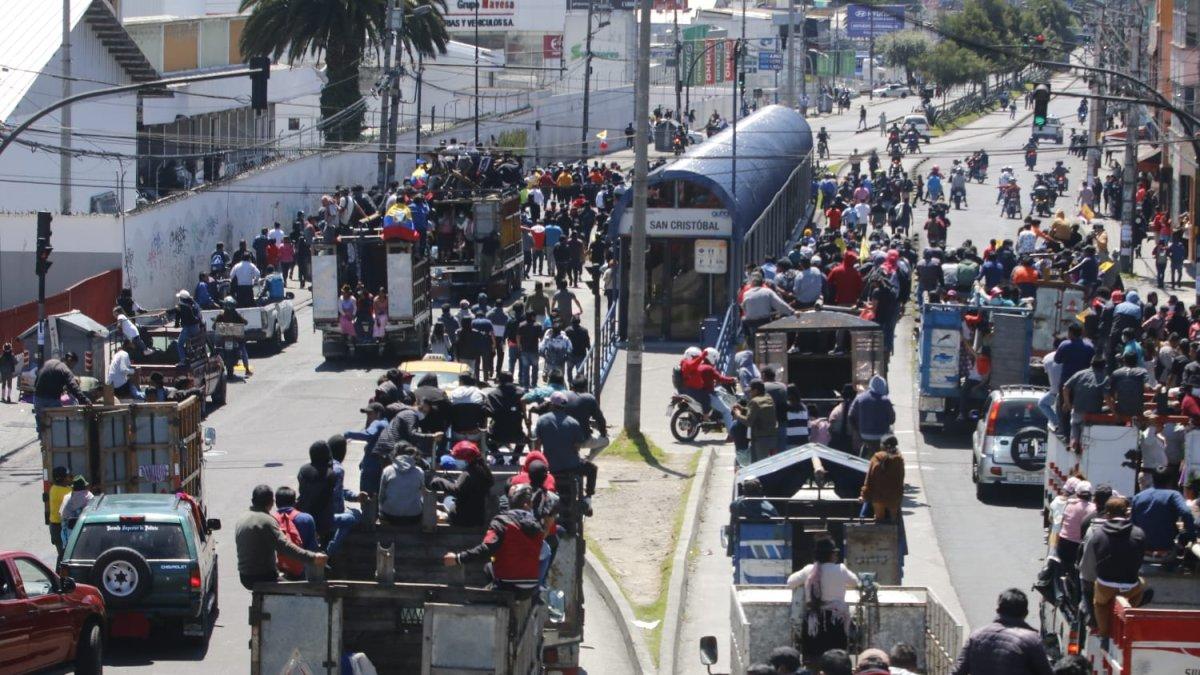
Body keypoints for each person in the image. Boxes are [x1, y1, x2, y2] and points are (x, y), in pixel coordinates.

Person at [443, 483, 546, 594]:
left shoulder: (502, 522)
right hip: (531, 587)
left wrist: (458, 558)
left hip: (508, 584)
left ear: (509, 502)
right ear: (529, 504)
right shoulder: (538, 526)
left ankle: (492, 594)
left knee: (488, 567)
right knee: (490, 566)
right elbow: (543, 554)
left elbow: (486, 549)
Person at [1080, 497, 1150, 638]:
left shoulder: (1098, 534)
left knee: (1099, 604)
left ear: (1107, 515)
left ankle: (1103, 632)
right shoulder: (1139, 533)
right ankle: (1129, 615)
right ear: (1127, 513)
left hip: (1105, 586)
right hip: (1130, 587)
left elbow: (1089, 567)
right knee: (1142, 584)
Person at [235, 484, 326, 588]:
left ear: (252, 500)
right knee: (295, 590)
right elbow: (284, 546)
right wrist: (312, 557)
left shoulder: (242, 519)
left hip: (244, 577)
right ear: (272, 502)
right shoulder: (267, 521)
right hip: (264, 576)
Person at [786, 538, 859, 662]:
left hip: (814, 620)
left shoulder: (809, 570)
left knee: (813, 657)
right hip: (835, 619)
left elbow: (790, 582)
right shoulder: (841, 569)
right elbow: (856, 582)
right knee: (836, 657)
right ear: (831, 555)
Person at [951, 588, 1053, 675]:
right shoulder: (1031, 640)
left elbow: (958, 671)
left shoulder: (976, 636)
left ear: (997, 610)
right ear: (1025, 613)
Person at [429, 440, 494, 527]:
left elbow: (456, 489)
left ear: (465, 459)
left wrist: (439, 481)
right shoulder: (484, 471)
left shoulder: (467, 474)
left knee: (447, 499)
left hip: (462, 518)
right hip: (479, 516)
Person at [1130, 467, 1195, 550]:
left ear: (1153, 479)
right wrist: (1190, 535)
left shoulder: (1138, 497)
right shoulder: (1173, 495)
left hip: (1141, 548)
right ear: (1170, 481)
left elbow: (1133, 522)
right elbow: (1186, 512)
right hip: (1165, 548)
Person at [32, 352, 89, 433]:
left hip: (38, 398)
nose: (72, 367)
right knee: (57, 423)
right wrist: (85, 400)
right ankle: (55, 439)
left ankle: (43, 439)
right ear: (70, 360)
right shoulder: (65, 369)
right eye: (73, 364)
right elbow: (73, 387)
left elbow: (37, 379)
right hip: (52, 400)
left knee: (42, 423)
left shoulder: (49, 362)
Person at [273, 486, 319, 579]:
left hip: (278, 570)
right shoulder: (306, 519)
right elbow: (312, 548)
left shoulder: (270, 520)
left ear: (276, 502)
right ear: (295, 502)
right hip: (302, 570)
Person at [378, 443, 427, 525]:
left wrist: (382, 513)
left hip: (390, 515)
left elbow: (381, 496)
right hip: (413, 517)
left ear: (395, 454)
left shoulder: (387, 470)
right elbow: (422, 494)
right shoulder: (419, 472)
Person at [860, 434, 904, 522]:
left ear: (882, 446)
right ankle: (893, 524)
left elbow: (869, 479)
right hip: (894, 496)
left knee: (879, 519)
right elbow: (900, 479)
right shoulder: (899, 460)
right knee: (894, 519)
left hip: (877, 496)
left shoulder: (876, 458)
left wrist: (864, 495)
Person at [848, 376, 895, 457]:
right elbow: (892, 420)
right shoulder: (886, 400)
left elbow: (850, 416)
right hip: (882, 435)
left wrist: (858, 430)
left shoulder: (860, 398)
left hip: (864, 434)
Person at [733, 379, 778, 462]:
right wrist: (742, 409)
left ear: (756, 391)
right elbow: (757, 412)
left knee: (760, 464)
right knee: (770, 463)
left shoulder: (754, 401)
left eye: (751, 391)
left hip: (760, 439)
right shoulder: (768, 397)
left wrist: (738, 415)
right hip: (772, 436)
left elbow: (749, 422)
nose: (750, 393)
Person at [58, 475, 94, 549]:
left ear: (73, 487)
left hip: (68, 537)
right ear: (85, 486)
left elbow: (61, 514)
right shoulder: (89, 496)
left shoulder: (67, 497)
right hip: (85, 536)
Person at [46, 466, 72, 564]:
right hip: (62, 527)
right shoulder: (66, 492)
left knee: (61, 554)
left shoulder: (53, 488)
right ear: (63, 479)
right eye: (68, 476)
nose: (69, 478)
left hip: (54, 526)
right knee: (65, 556)